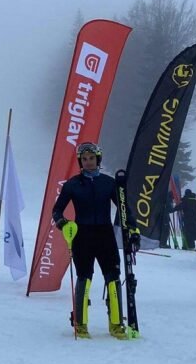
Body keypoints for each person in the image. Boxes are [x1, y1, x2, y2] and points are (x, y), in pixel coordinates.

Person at [52, 142, 139, 340]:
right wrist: (63, 223)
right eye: (84, 159)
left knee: (113, 278)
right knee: (84, 278)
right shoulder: (72, 184)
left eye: (92, 158)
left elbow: (124, 209)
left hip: (105, 235)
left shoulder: (109, 183)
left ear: (98, 159)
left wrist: (133, 229)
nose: (88, 162)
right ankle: (80, 324)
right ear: (80, 161)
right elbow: (56, 210)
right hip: (82, 236)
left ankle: (116, 324)